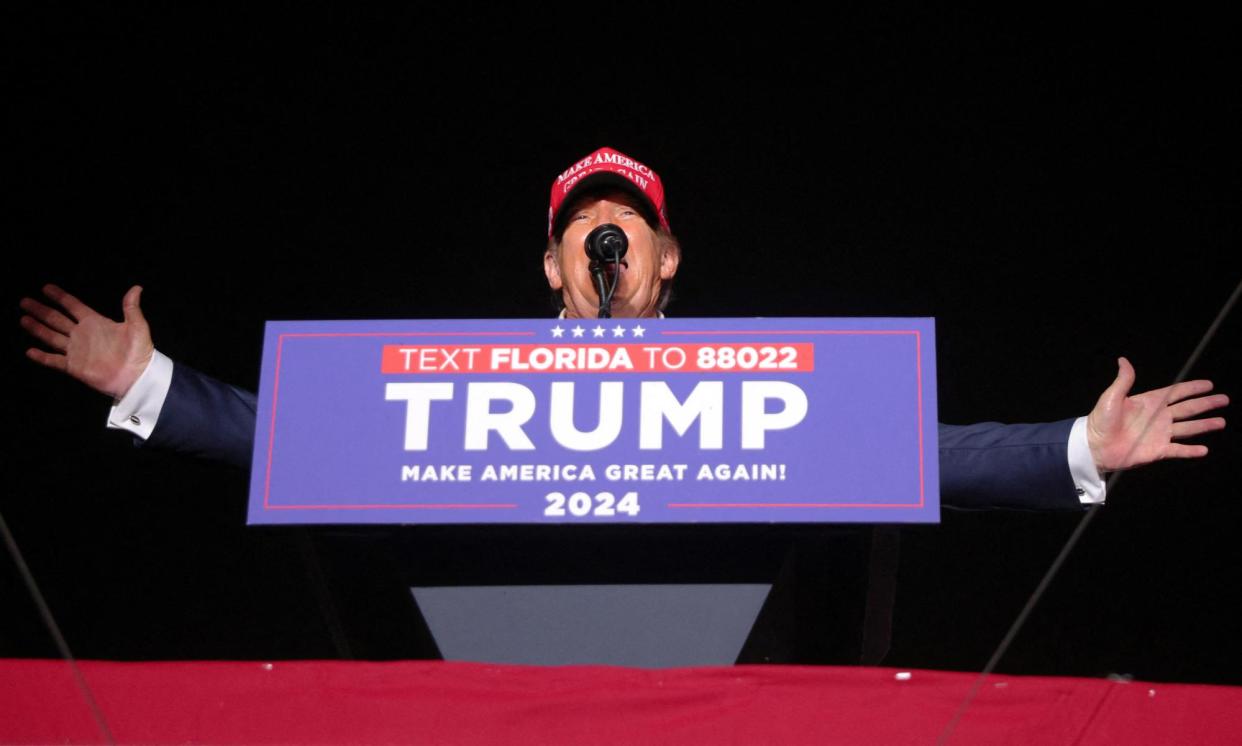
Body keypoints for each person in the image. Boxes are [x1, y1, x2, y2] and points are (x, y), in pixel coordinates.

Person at [19, 147, 1229, 510]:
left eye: (629, 224)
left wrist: (1075, 442)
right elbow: (302, 437)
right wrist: (156, 384)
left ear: (665, 258)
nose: (609, 237)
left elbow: (924, 449)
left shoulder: (757, 382)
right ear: (552, 261)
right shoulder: (453, 383)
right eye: (585, 226)